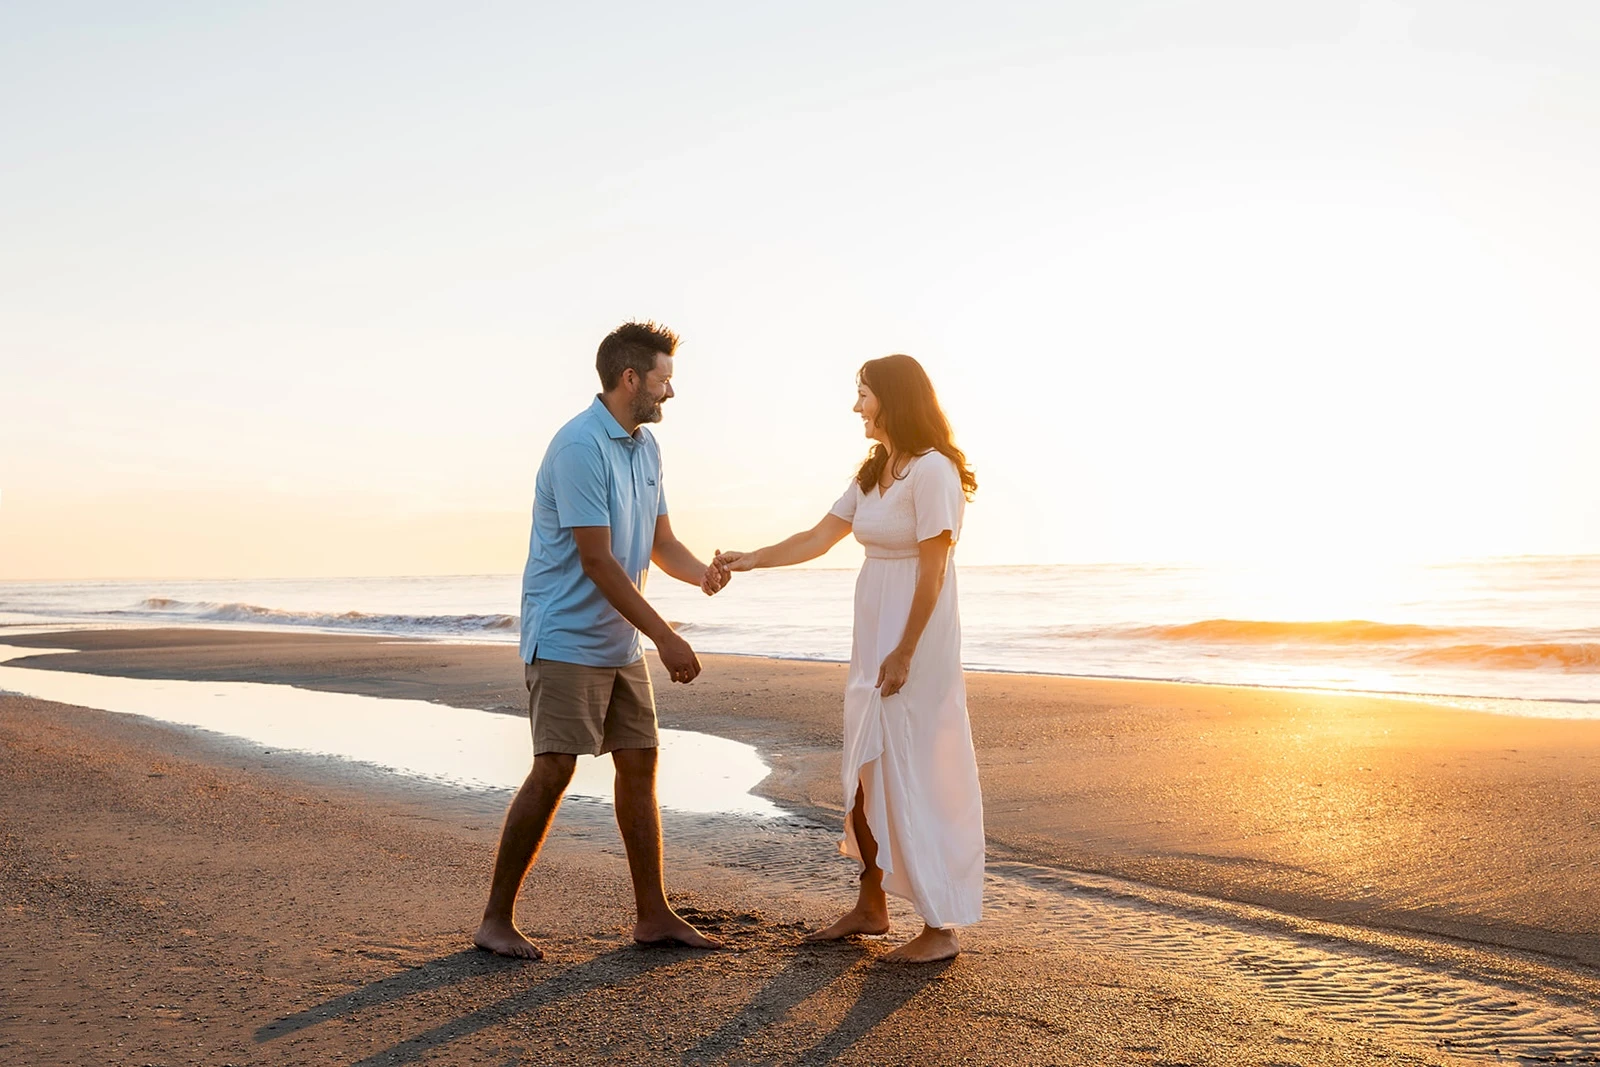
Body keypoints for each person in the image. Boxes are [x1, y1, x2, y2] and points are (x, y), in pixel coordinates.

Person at [474, 321, 730, 960]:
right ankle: (495, 921)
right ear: (630, 379)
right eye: (664, 380)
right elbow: (598, 561)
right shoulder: (579, 448)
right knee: (555, 768)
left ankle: (653, 915)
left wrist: (702, 574)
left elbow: (658, 544)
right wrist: (666, 636)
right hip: (565, 635)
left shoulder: (645, 449)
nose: (670, 392)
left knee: (639, 763)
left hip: (619, 640)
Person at [714, 354, 983, 963]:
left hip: (914, 642)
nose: (856, 405)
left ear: (892, 398)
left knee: (912, 770)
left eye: (862, 393)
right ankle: (871, 904)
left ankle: (940, 927)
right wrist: (748, 558)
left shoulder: (934, 472)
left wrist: (906, 651)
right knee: (864, 769)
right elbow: (817, 537)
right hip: (873, 642)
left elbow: (934, 570)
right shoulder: (874, 471)